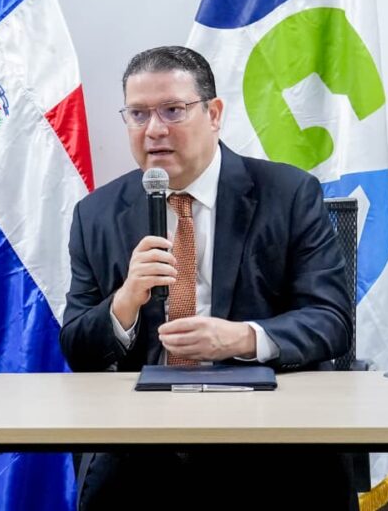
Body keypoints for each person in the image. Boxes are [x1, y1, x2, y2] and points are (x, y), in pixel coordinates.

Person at [60, 46, 355, 510]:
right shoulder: (97, 214)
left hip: (266, 436)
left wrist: (240, 338)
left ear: (214, 114)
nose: (154, 130)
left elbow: (331, 321)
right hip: (145, 442)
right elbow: (77, 347)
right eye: (137, 114)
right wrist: (123, 305)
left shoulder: (289, 194)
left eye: (172, 110)